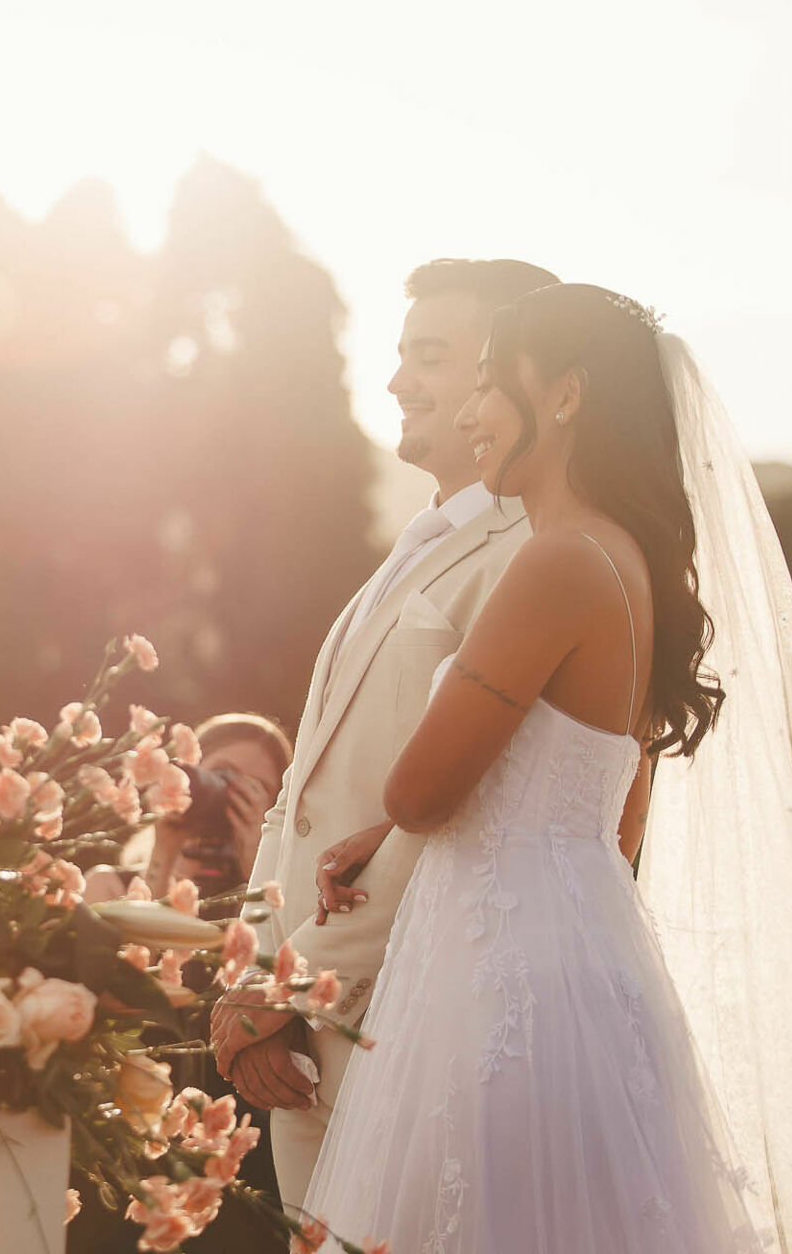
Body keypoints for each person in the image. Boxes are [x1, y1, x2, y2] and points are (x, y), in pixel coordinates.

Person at [300, 285, 778, 1247]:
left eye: (486, 383)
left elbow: (422, 791)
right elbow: (608, 808)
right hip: (574, 944)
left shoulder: (555, 563)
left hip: (501, 971)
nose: (470, 414)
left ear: (564, 397)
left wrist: (399, 815)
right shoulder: (626, 558)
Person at [210, 259, 559, 1209]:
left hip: (411, 1022)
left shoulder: (534, 559)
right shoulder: (421, 546)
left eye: (432, 359)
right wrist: (251, 977)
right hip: (300, 1037)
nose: (399, 382)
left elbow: (470, 810)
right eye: (400, 356)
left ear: (514, 377)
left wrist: (287, 991)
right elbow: (303, 794)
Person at [84, 713, 291, 903]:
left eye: (257, 789)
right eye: (223, 774)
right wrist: (163, 856)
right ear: (190, 771)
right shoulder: (108, 886)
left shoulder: (285, 900)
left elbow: (268, 940)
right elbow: (144, 942)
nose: (236, 794)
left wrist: (260, 870)